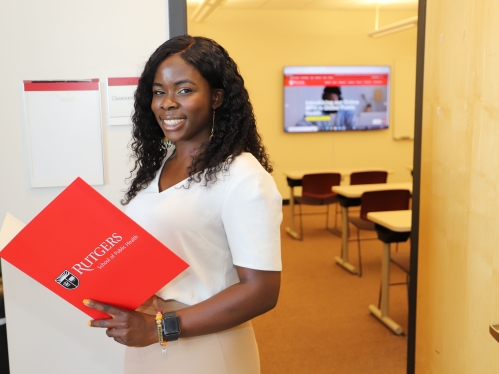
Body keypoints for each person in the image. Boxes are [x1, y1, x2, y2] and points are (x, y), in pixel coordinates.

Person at [83, 35, 282, 373]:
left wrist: (160, 327)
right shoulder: (158, 167)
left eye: (185, 90)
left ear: (216, 98)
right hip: (146, 339)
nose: (167, 103)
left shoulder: (243, 176)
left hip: (204, 344)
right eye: (159, 91)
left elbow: (262, 291)